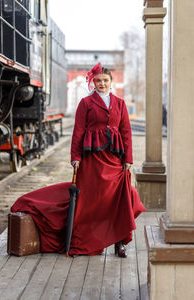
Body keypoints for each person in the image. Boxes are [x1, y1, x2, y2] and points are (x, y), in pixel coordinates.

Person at [11, 62, 146, 258]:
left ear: (111, 82)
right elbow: (78, 132)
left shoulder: (120, 104)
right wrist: (75, 157)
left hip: (115, 160)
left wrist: (129, 159)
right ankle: (84, 240)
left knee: (119, 199)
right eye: (98, 80)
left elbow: (126, 133)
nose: (102, 83)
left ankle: (120, 242)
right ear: (93, 82)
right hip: (91, 160)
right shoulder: (86, 103)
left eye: (105, 80)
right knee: (91, 201)